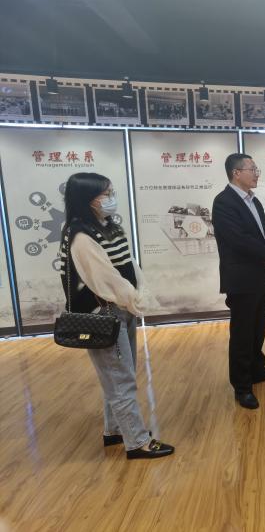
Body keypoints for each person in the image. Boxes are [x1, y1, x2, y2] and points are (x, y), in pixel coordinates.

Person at [59, 172, 174, 459]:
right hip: (106, 313)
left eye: (112, 193)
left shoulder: (106, 226)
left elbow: (128, 265)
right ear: (88, 199)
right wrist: (132, 299)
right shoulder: (80, 235)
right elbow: (104, 279)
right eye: (106, 194)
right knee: (121, 379)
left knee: (117, 375)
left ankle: (115, 430)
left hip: (121, 309)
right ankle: (137, 442)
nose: (111, 199)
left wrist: (135, 298)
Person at [212, 153, 265, 409]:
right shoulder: (223, 202)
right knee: (242, 334)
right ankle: (242, 387)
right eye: (252, 169)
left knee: (257, 328)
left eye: (256, 169)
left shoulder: (253, 200)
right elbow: (238, 239)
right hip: (241, 279)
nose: (256, 174)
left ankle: (256, 369)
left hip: (260, 276)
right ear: (236, 173)